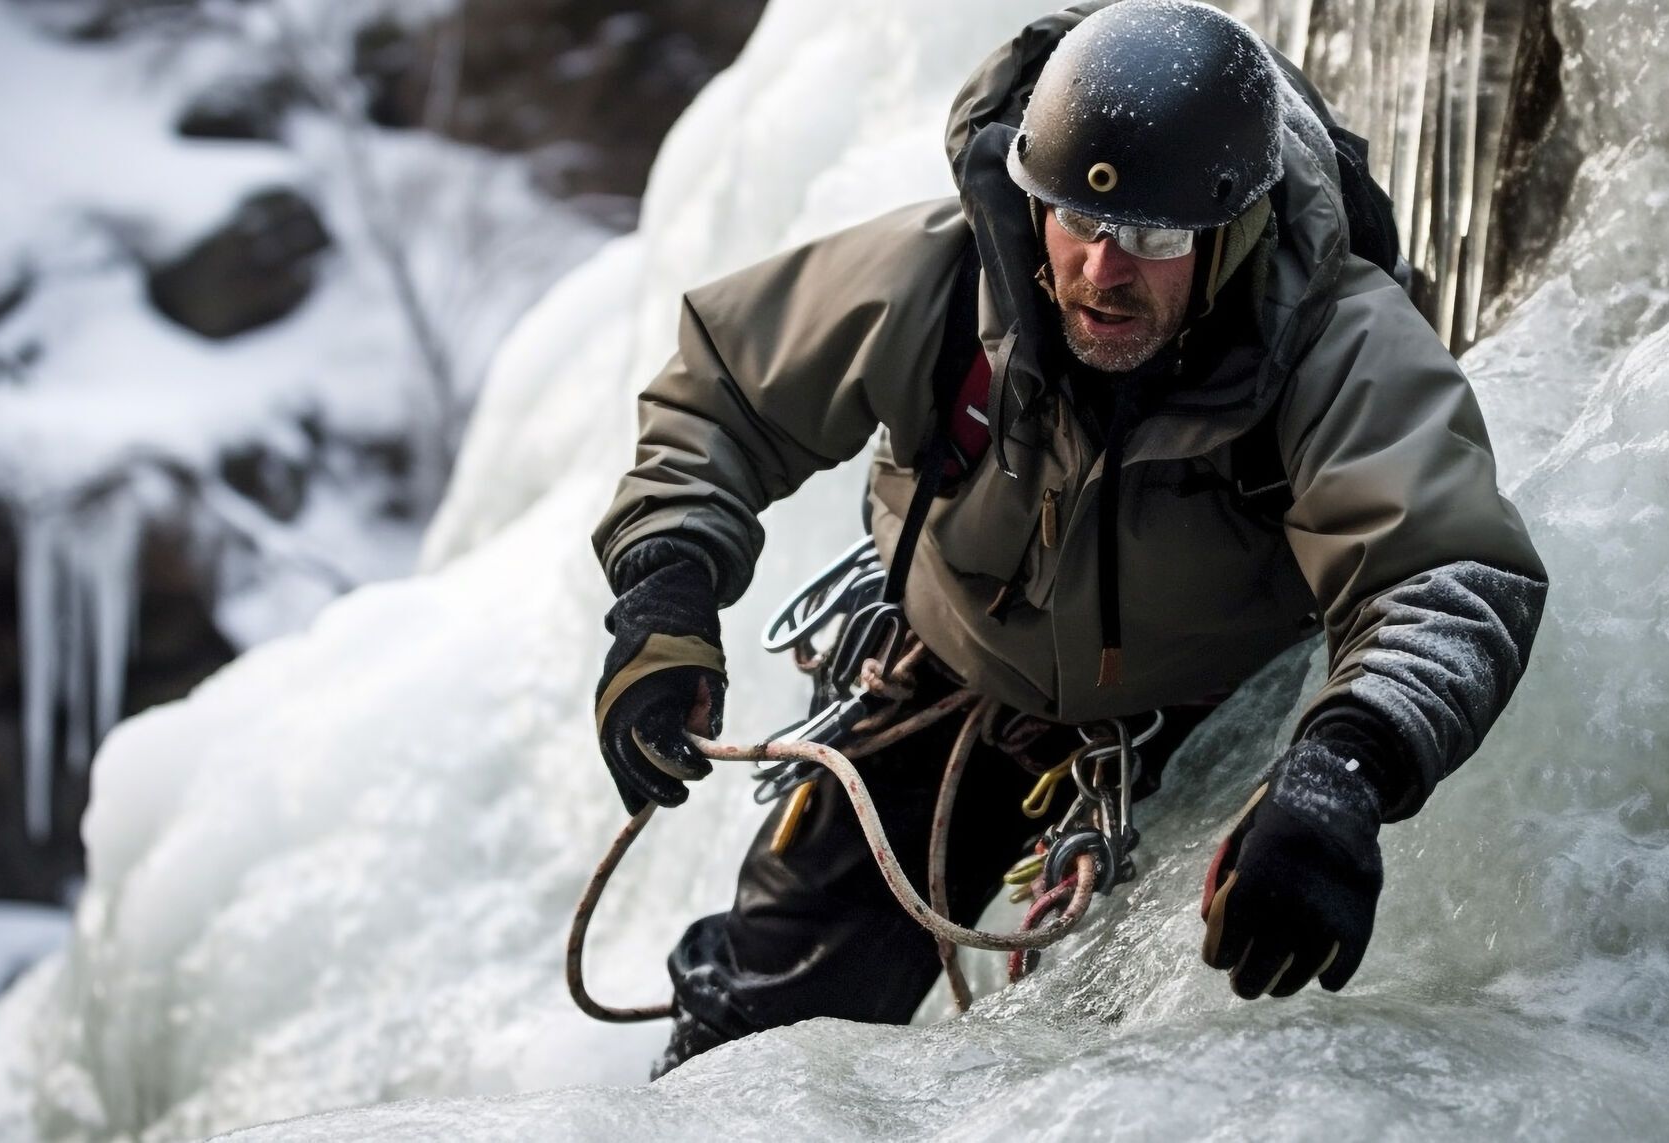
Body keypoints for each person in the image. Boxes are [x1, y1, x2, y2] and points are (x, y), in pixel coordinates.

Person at [591, 0, 1546, 1075]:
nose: (1100, 269)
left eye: (1149, 234)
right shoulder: (948, 280)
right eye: (1077, 221)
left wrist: (1342, 771)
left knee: (1106, 1083)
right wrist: (664, 594)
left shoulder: (1337, 343)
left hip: (1192, 735)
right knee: (752, 1025)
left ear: (1230, 228)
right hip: (940, 672)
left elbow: (1447, 577)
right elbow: (722, 396)